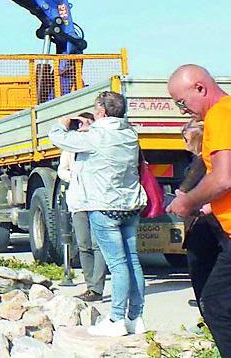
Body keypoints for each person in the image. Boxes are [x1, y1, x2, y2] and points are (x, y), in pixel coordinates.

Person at [49, 91, 147, 337]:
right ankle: (136, 317)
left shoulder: (96, 136)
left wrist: (62, 124)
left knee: (118, 264)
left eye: (95, 110)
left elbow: (58, 138)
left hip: (104, 207)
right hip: (130, 205)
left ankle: (115, 319)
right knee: (133, 260)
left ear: (101, 112)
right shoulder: (129, 134)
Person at [166, 65, 231, 354]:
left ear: (200, 88)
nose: (183, 110)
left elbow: (223, 178)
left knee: (215, 304)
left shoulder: (219, 115)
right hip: (222, 226)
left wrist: (187, 202)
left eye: (182, 102)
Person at [57, 111, 106, 303]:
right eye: (78, 124)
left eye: (86, 123)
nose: (81, 126)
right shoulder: (71, 146)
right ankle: (89, 285)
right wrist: (73, 178)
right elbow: (62, 169)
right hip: (78, 200)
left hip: (97, 200)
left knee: (98, 244)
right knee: (84, 244)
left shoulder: (98, 143)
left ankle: (97, 287)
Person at [177, 119, 221, 313]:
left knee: (202, 272)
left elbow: (183, 192)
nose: (185, 146)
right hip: (209, 222)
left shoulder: (202, 161)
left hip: (202, 223)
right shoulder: (212, 160)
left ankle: (207, 314)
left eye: (186, 140)